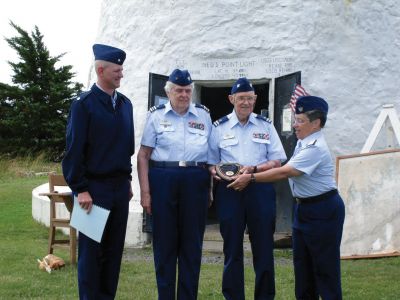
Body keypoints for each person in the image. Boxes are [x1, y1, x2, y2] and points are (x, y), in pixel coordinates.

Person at [228, 95, 345, 300]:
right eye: (295, 119)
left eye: (300, 121)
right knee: (302, 267)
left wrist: (251, 177)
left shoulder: (315, 147)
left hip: (323, 209)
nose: (294, 125)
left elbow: (284, 172)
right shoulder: (304, 142)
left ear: (316, 123)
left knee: (325, 269)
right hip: (303, 208)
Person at [62, 44, 135, 299]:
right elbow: (73, 152)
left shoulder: (126, 105)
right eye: (117, 70)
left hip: (118, 190)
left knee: (113, 254)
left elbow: (127, 149)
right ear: (101, 69)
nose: (121, 74)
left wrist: (127, 181)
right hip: (92, 191)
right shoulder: (83, 105)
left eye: (122, 70)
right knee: (92, 255)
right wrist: (80, 188)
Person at [208, 77, 287, 300]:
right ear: (231, 99)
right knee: (232, 250)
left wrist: (253, 171)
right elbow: (211, 163)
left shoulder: (266, 125)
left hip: (260, 189)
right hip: (230, 191)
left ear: (255, 99)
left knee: (263, 249)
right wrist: (219, 173)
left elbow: (277, 161)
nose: (246, 103)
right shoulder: (219, 127)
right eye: (241, 98)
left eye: (250, 98)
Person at [137, 69, 212, 299]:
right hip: (163, 179)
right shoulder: (156, 116)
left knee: (192, 246)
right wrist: (145, 192)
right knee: (164, 245)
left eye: (188, 90)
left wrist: (210, 190)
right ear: (168, 91)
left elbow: (210, 158)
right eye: (179, 90)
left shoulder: (203, 115)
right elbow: (143, 156)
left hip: (195, 180)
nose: (184, 94)